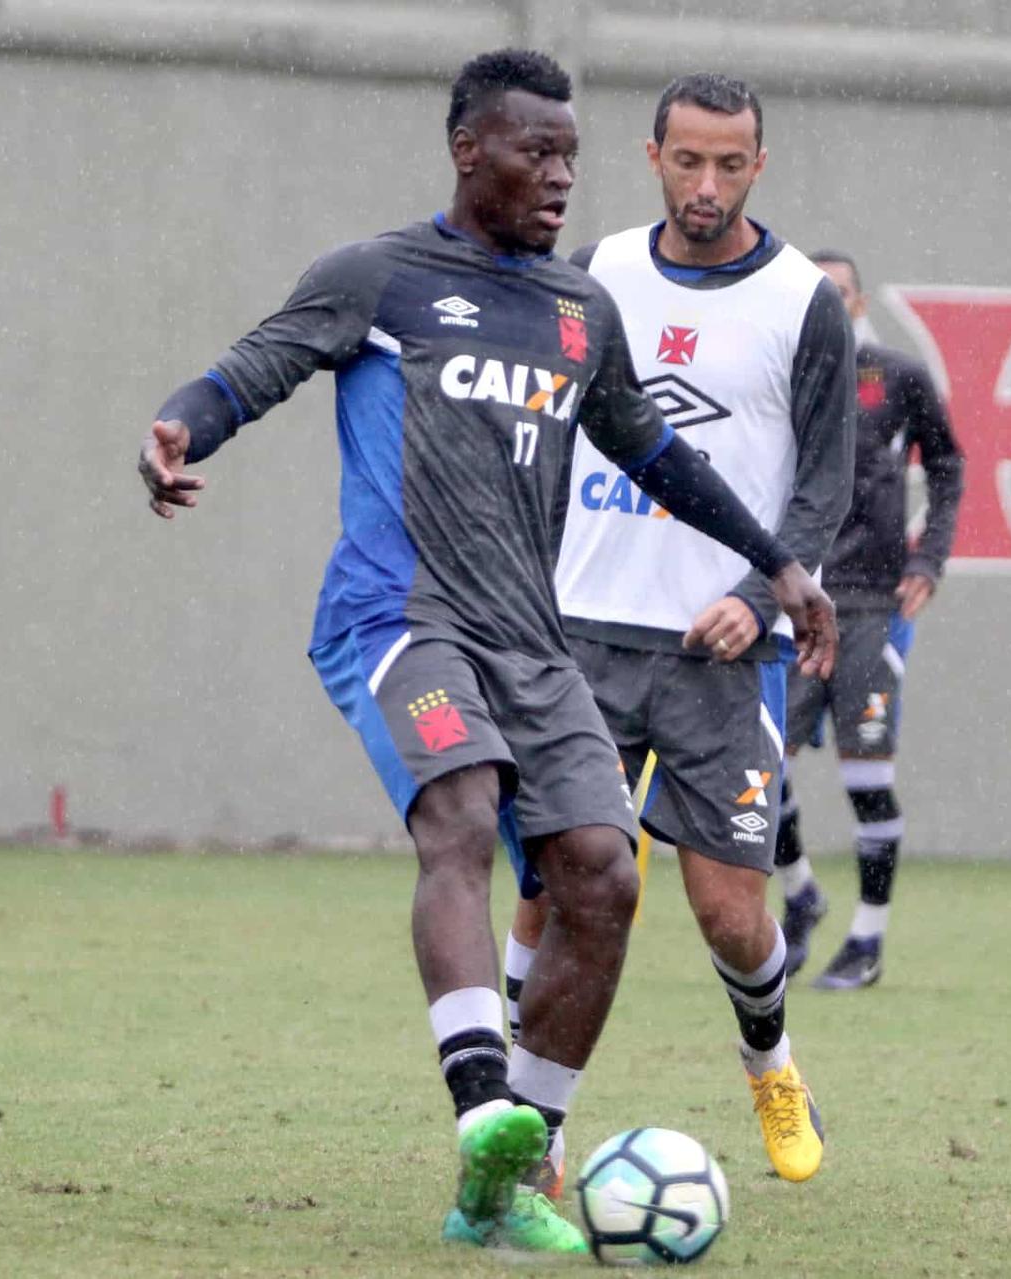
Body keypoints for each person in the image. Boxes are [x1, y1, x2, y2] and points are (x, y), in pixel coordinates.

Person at [135, 49, 837, 1256]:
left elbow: (656, 455)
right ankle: (483, 1109)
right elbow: (261, 363)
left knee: (603, 878)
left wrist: (773, 561)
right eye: (537, 152)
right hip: (400, 616)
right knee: (459, 814)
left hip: (531, 637)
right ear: (470, 150)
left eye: (570, 155)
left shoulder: (577, 308)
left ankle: (510, 1179)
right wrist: (181, 426)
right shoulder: (381, 275)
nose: (560, 176)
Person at [505, 72, 854, 1188]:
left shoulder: (805, 303)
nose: (707, 186)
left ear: (761, 165)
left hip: (722, 659)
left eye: (730, 164)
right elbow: (539, 429)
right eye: (688, 160)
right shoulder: (594, 272)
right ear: (652, 155)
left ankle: (771, 1060)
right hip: (583, 637)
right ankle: (525, 1125)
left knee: (729, 911)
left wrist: (757, 597)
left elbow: (825, 489)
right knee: (565, 880)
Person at [775, 249, 965, 989]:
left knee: (867, 773)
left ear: (857, 304)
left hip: (867, 603)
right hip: (789, 599)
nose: (828, 303)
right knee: (760, 773)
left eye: (840, 293)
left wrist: (929, 560)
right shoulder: (777, 372)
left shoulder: (896, 376)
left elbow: (948, 463)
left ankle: (868, 942)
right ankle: (800, 895)